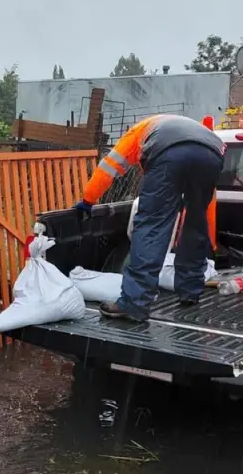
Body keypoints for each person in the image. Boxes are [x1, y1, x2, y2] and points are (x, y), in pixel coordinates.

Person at [74, 114, 225, 321]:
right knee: (195, 223)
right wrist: (211, 242)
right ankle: (190, 290)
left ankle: (134, 304)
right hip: (212, 153)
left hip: (168, 153)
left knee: (152, 226)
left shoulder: (136, 133)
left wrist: (88, 199)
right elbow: (205, 214)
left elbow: (109, 167)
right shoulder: (183, 127)